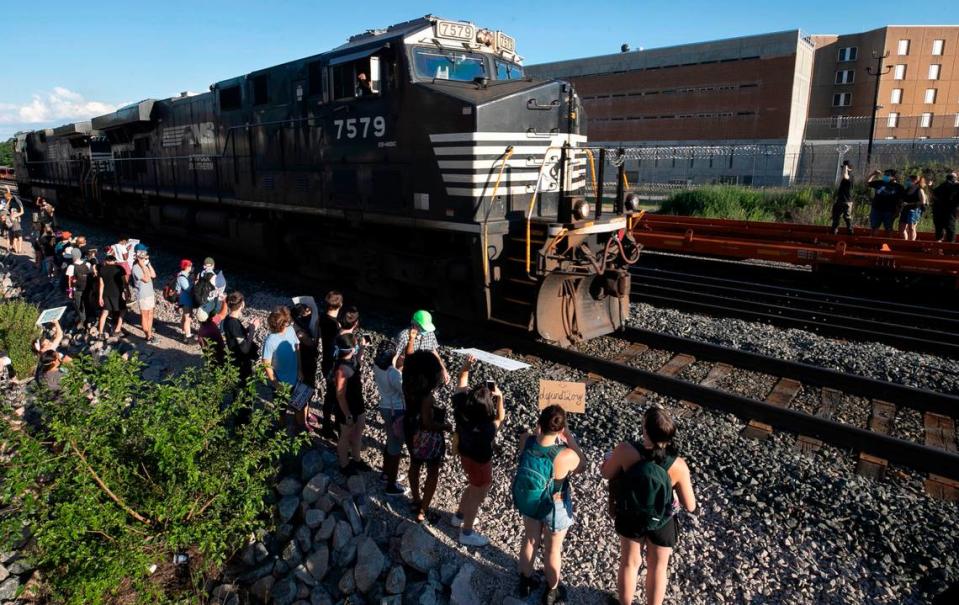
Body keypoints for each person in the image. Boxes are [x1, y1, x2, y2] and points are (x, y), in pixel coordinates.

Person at [602, 407, 697, 605]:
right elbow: (690, 505)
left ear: (645, 431)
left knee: (629, 563)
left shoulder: (625, 451)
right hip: (662, 520)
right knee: (658, 568)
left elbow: (606, 473)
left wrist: (610, 458)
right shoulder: (678, 465)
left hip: (631, 516)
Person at [514, 405, 585, 604]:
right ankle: (552, 591)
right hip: (556, 506)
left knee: (530, 540)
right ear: (561, 429)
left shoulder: (526, 441)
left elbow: (533, 442)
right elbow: (583, 465)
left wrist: (538, 433)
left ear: (539, 423)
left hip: (532, 500)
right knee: (553, 550)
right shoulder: (565, 455)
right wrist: (569, 438)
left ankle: (525, 582)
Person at [449, 355, 505, 547]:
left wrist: (466, 364)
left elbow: (462, 379)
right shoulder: (487, 428)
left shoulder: (460, 407)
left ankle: (459, 516)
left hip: (465, 455)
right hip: (481, 463)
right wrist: (501, 398)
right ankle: (467, 531)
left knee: (472, 485)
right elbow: (500, 417)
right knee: (477, 494)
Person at [403, 349, 451, 524]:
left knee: (414, 464)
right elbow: (428, 423)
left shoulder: (407, 386)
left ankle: (415, 499)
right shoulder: (427, 397)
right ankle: (423, 510)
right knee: (432, 472)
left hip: (410, 430)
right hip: (429, 439)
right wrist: (445, 426)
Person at [373, 340, 407, 496]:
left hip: (384, 406)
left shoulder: (377, 366)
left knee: (390, 441)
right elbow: (404, 391)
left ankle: (385, 474)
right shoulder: (394, 374)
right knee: (395, 447)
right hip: (397, 410)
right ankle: (391, 484)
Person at [332, 332, 369, 475]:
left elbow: (357, 362)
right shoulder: (341, 370)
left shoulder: (351, 359)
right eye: (356, 345)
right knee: (345, 435)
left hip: (358, 402)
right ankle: (344, 465)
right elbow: (340, 395)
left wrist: (363, 348)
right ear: (351, 349)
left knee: (358, 431)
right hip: (346, 407)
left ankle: (357, 459)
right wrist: (347, 414)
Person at [396, 310, 449, 384]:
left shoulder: (430, 333)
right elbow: (395, 357)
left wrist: (443, 369)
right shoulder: (403, 336)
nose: (425, 331)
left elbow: (433, 351)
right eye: (423, 328)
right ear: (414, 324)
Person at [319, 290, 344, 438]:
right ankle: (328, 426)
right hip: (334, 366)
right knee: (333, 396)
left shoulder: (322, 318)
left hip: (326, 362)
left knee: (330, 395)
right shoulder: (336, 326)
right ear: (340, 305)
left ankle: (328, 424)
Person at [222, 291, 260, 384]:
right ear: (242, 304)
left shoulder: (228, 319)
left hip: (234, 357)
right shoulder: (234, 323)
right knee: (244, 386)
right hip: (240, 361)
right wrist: (252, 330)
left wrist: (248, 328)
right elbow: (245, 349)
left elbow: (236, 335)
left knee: (238, 386)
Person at [261, 306, 300, 390]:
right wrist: (276, 383)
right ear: (284, 322)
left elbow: (297, 349)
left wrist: (300, 370)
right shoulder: (270, 341)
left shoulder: (290, 330)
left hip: (295, 377)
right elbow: (266, 364)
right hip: (280, 381)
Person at [131, 244, 157, 343]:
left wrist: (148, 264)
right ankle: (148, 336)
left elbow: (153, 275)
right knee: (145, 315)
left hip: (150, 293)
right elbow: (146, 278)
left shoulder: (145, 265)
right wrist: (142, 265)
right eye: (144, 251)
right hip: (143, 295)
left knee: (150, 315)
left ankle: (149, 333)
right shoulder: (136, 267)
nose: (146, 253)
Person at [866, 169, 905, 236]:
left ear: (893, 177)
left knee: (888, 229)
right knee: (874, 227)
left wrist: (898, 211)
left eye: (887, 175)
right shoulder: (879, 183)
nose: (885, 176)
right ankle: (873, 242)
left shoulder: (899, 187)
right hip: (876, 209)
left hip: (889, 211)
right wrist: (873, 174)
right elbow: (867, 183)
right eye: (885, 175)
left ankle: (888, 243)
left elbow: (901, 201)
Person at [97, 254, 127, 338]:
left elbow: (101, 284)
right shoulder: (119, 268)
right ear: (114, 261)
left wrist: (100, 298)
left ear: (106, 261)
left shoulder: (102, 269)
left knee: (105, 312)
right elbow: (124, 282)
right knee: (123, 310)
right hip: (118, 293)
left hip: (106, 294)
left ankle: (100, 333)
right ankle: (117, 329)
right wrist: (127, 291)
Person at [899, 174, 928, 241]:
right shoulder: (907, 189)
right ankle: (905, 243)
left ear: (915, 181)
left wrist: (909, 204)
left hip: (914, 210)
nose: (908, 181)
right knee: (901, 228)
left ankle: (911, 243)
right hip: (905, 209)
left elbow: (922, 202)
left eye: (910, 180)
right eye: (908, 180)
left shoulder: (920, 190)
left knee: (911, 227)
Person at [932, 172, 959, 243]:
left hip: (938, 211)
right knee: (950, 230)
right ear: (955, 179)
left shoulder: (940, 186)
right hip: (950, 211)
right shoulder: (956, 186)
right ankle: (949, 249)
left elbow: (934, 196)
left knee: (939, 230)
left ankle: (938, 249)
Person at [831, 161, 854, 235]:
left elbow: (845, 175)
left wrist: (846, 167)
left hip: (847, 201)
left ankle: (850, 230)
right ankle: (834, 230)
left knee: (846, 217)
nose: (843, 169)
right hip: (840, 200)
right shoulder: (844, 178)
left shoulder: (850, 176)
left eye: (844, 168)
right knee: (836, 216)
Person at [175, 260, 195, 341]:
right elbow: (188, 289)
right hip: (186, 300)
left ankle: (183, 333)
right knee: (187, 318)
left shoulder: (184, 275)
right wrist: (195, 283)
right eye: (190, 265)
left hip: (184, 299)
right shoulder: (182, 277)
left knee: (184, 316)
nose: (191, 267)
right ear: (186, 267)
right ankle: (188, 336)